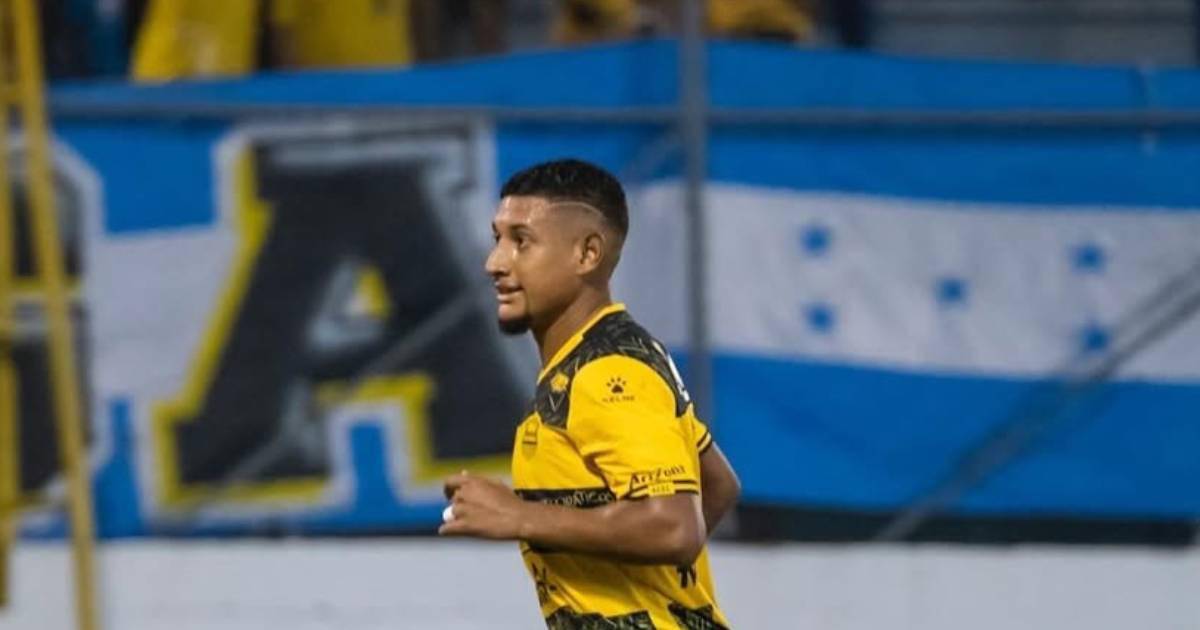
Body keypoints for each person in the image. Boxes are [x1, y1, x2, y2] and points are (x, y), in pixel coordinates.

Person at [438, 158, 741, 629]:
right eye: (498, 238)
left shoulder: (607, 372)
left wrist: (521, 516)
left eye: (522, 241)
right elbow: (717, 483)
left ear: (587, 254)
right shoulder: (608, 352)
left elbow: (675, 527)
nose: (494, 262)